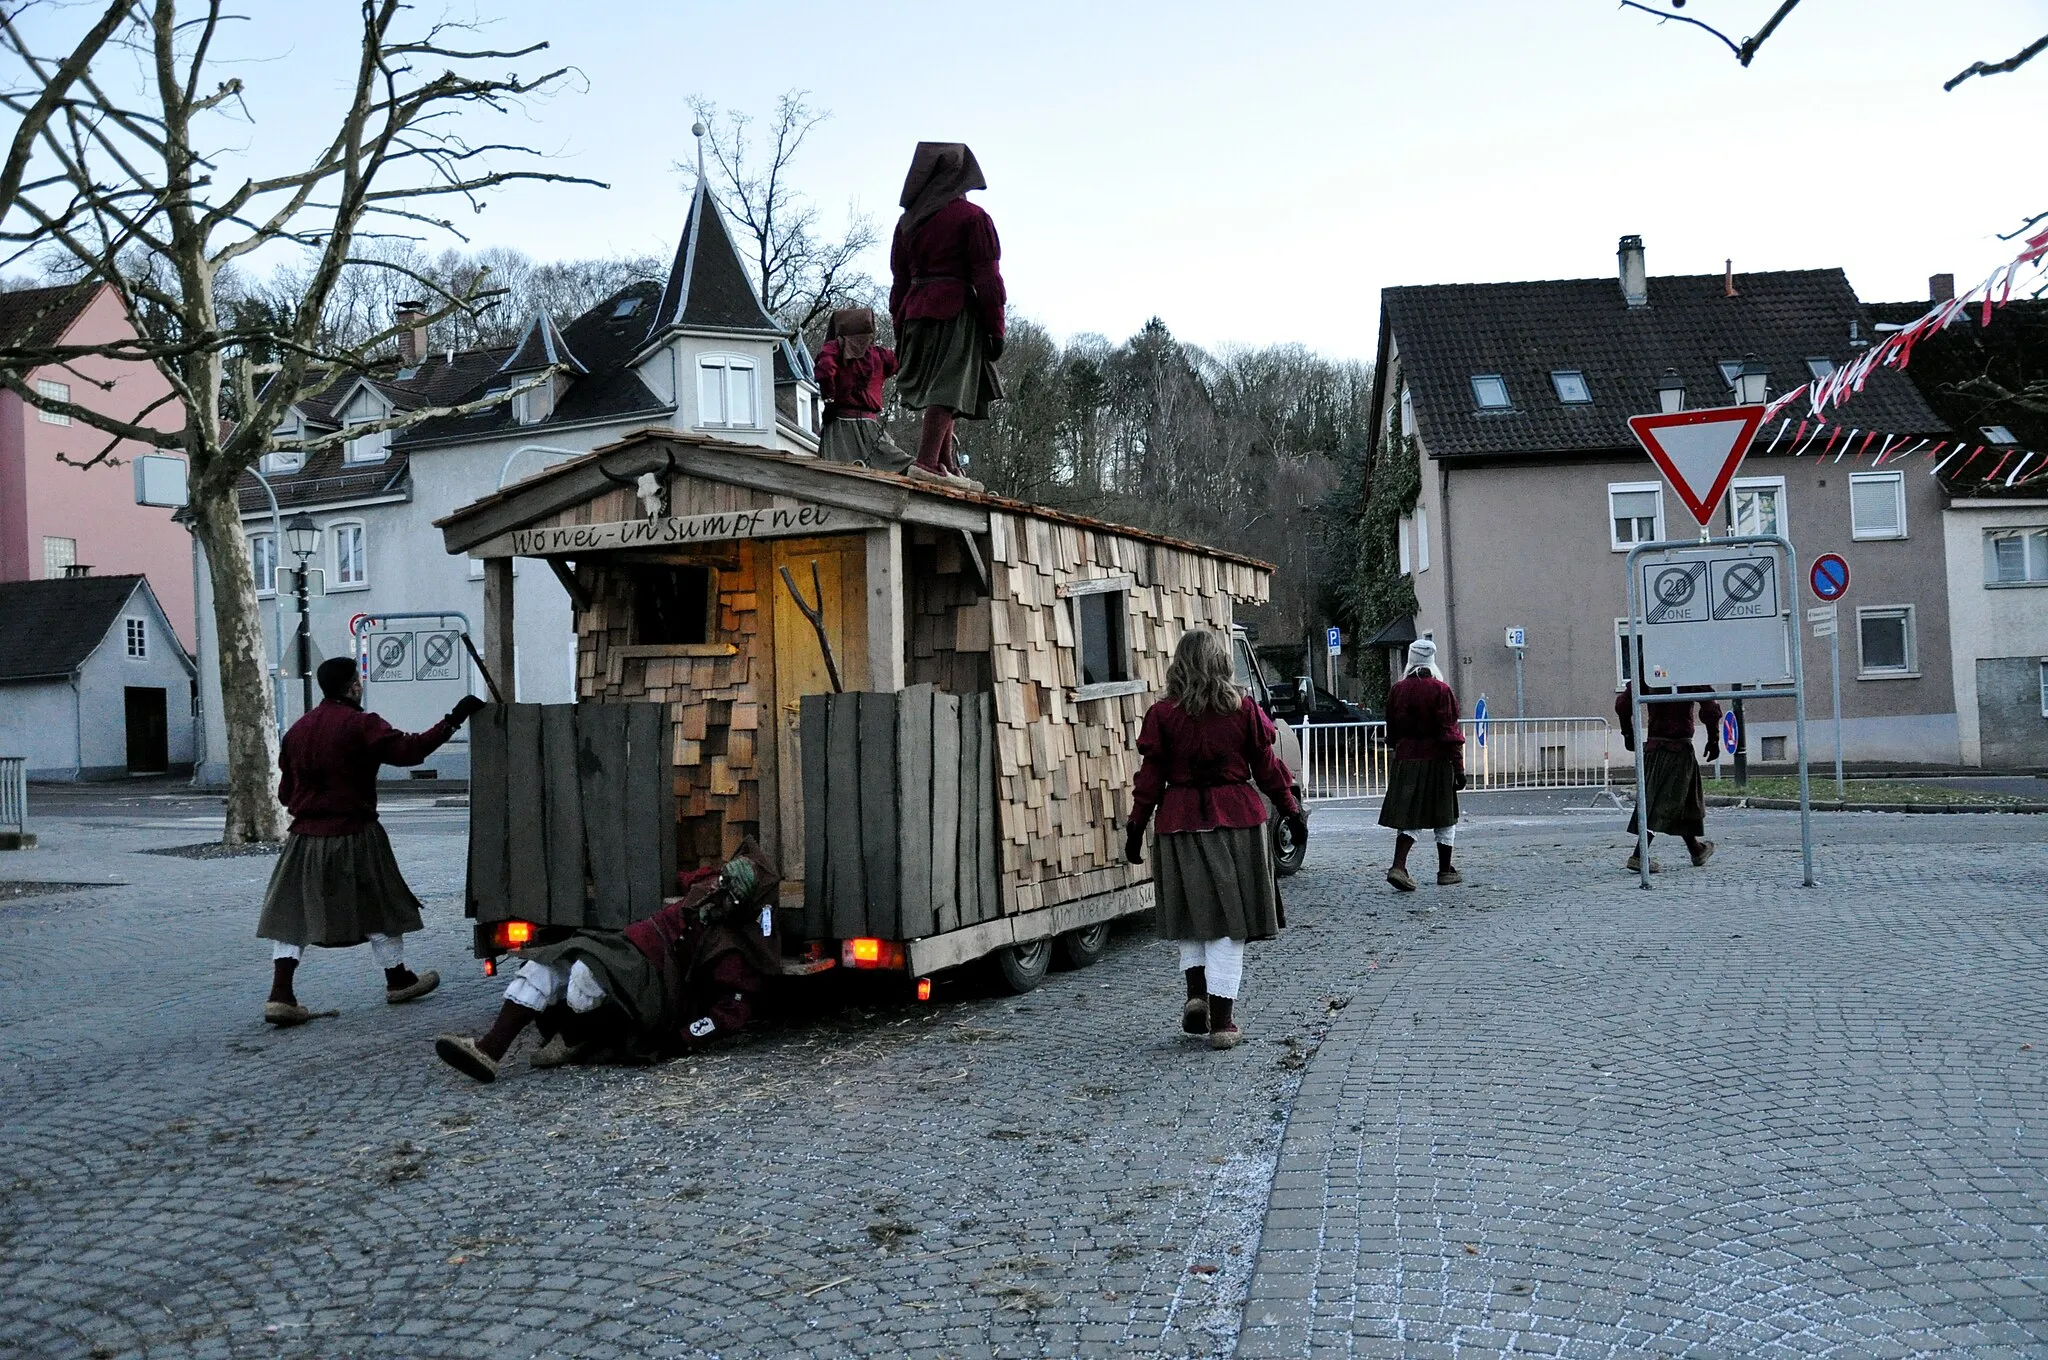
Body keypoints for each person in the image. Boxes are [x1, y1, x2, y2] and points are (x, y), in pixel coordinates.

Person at [434, 842, 783, 1083]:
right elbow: (683, 877)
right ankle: (489, 1049)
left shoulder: (734, 946)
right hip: (624, 945)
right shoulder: (709, 883)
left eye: (728, 890)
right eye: (722, 880)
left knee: (586, 977)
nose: (720, 890)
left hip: (655, 979)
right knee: (544, 964)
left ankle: (575, 1037)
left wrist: (678, 1041)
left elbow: (730, 1012)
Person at [259, 657, 483, 1025]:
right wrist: (453, 719)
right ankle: (397, 979)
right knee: (380, 903)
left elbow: (286, 793)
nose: (361, 685)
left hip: (304, 837)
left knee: (292, 911)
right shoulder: (362, 725)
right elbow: (409, 751)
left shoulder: (297, 730)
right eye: (358, 680)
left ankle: (280, 994)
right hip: (355, 832)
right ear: (352, 686)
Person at [1125, 628, 1307, 1051]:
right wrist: (1291, 810)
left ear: (1179, 665)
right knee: (1230, 922)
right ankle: (1223, 1022)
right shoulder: (1243, 709)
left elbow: (1149, 780)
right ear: (1221, 662)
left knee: (1194, 912)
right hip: (1238, 821)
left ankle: (1196, 996)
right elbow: (1267, 767)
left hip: (1180, 820)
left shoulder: (1162, 714)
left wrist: (1136, 827)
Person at [889, 141, 1005, 491]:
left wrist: (899, 325)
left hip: (915, 311)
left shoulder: (907, 223)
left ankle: (944, 462)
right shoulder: (972, 218)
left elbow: (899, 280)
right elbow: (987, 278)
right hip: (954, 308)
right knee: (949, 384)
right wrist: (995, 327)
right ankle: (926, 461)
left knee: (948, 384)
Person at [1378, 638, 1466, 891]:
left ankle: (1399, 865)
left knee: (1409, 816)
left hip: (1406, 760)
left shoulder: (1397, 690)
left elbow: (1391, 731)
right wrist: (1458, 768)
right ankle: (1445, 870)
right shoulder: (1441, 690)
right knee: (1445, 816)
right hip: (1438, 760)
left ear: (1410, 660)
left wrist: (1401, 747)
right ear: (1431, 661)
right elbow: (1449, 732)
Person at [1615, 679, 1720, 871]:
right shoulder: (1686, 668)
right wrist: (1714, 738)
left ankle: (1696, 850)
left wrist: (1628, 733)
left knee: (1682, 801)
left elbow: (1623, 704)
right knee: (1661, 802)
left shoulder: (1647, 669)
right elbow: (1710, 707)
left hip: (1654, 747)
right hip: (1678, 747)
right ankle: (1639, 855)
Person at [814, 307, 910, 472]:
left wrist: (829, 397)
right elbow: (901, 362)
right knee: (896, 465)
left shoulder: (833, 349)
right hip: (868, 425)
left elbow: (825, 370)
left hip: (840, 427)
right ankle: (925, 471)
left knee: (836, 472)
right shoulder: (878, 354)